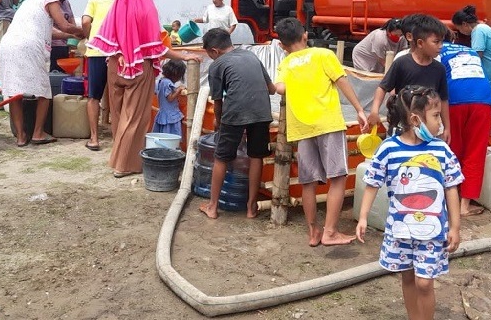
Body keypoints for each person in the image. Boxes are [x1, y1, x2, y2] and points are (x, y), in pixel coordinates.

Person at [356, 85, 463, 320]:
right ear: (416, 119)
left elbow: (451, 188)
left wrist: (455, 227)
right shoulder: (388, 149)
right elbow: (372, 183)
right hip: (400, 231)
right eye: (436, 116)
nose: (440, 123)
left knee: (424, 283)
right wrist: (363, 216)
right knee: (407, 276)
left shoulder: (441, 150)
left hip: (433, 233)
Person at [87, 0, 199, 178]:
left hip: (114, 66)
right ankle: (124, 165)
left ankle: (116, 159)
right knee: (135, 118)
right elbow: (157, 48)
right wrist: (183, 55)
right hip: (138, 67)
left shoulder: (117, 6)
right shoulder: (147, 9)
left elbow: (104, 37)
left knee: (119, 115)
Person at [274, 17, 368, 246]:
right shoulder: (323, 55)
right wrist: (359, 109)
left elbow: (279, 89)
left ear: (281, 45)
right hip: (328, 123)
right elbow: (342, 81)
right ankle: (331, 232)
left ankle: (314, 232)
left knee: (308, 181)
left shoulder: (285, 64)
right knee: (336, 177)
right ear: (305, 35)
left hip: (301, 127)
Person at [0, 0, 84, 147]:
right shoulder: (50, 0)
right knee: (44, 91)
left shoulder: (29, 1)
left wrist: (69, 35)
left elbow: (51, 31)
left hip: (8, 45)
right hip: (28, 47)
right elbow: (64, 25)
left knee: (15, 92)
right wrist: (83, 33)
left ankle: (21, 137)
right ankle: (38, 133)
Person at [199, 28, 275, 219]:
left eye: (210, 54)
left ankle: (213, 207)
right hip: (262, 112)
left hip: (235, 113)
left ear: (214, 51)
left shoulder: (217, 66)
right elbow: (271, 89)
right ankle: (251, 208)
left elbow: (218, 102)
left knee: (221, 157)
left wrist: (218, 122)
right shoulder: (251, 56)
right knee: (256, 156)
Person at [367, 14, 450, 143]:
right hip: (402, 126)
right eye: (436, 42)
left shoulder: (439, 69)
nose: (440, 46)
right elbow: (383, 87)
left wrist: (446, 128)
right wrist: (374, 111)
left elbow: (443, 99)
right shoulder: (402, 63)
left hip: (428, 130)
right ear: (420, 43)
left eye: (441, 41)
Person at [439, 37, 491, 216]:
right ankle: (464, 205)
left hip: (454, 101)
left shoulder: (434, 50)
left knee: (453, 149)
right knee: (475, 152)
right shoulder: (468, 49)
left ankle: (449, 201)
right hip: (483, 100)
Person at [81, 0, 125, 151]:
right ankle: (118, 139)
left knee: (94, 96)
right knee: (119, 95)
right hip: (118, 51)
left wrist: (90, 37)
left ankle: (94, 139)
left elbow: (85, 21)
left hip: (97, 50)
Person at [49, 0, 77, 72]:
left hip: (65, 44)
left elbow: (71, 21)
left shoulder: (66, 3)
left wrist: (74, 36)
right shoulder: (51, 3)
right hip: (53, 45)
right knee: (54, 73)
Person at [152, 60, 186, 137]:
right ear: (176, 74)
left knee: (162, 135)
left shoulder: (161, 81)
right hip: (170, 115)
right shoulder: (167, 83)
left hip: (164, 113)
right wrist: (179, 89)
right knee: (170, 136)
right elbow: (170, 98)